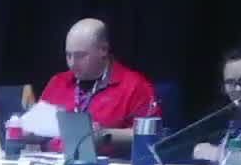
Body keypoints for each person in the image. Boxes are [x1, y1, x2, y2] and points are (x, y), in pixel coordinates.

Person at [38, 18, 160, 155]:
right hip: (53, 162)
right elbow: (37, 125)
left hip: (106, 164)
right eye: (68, 55)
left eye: (80, 55)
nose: (72, 63)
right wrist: (28, 131)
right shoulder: (58, 82)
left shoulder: (134, 86)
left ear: (103, 50)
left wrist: (104, 135)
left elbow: (151, 135)